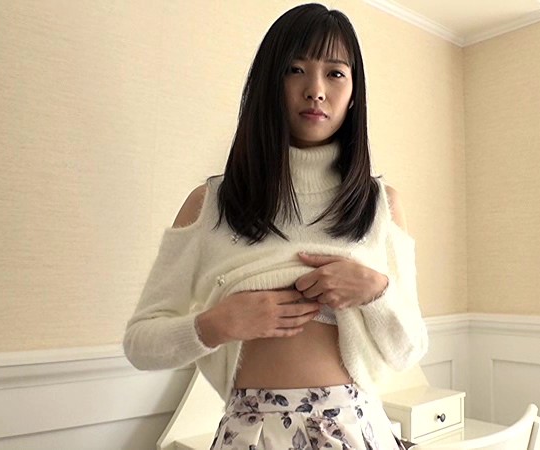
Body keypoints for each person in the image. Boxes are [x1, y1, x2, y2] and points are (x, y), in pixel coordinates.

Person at [123, 3, 428, 449]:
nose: (316, 90)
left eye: (335, 73)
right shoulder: (211, 203)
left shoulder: (381, 204)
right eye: (295, 69)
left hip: (355, 428)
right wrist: (218, 324)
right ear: (270, 82)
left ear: (354, 93)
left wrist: (375, 291)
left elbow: (408, 351)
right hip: (252, 433)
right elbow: (140, 343)